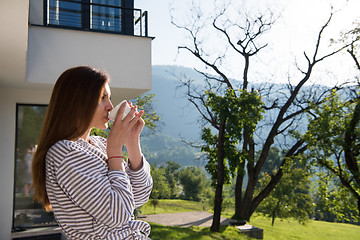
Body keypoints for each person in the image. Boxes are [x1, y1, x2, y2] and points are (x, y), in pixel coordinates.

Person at [31, 66, 153, 239]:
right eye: (102, 98)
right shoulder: (64, 153)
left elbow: (139, 196)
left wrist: (132, 142)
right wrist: (115, 151)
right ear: (77, 101)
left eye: (110, 98)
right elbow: (118, 215)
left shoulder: (99, 144)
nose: (110, 106)